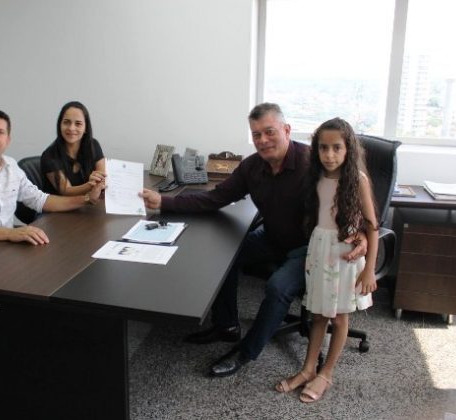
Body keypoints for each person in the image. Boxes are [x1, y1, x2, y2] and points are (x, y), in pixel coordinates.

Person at [140, 103, 366, 377]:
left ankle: (245, 352)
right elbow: (215, 198)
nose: (263, 140)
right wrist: (164, 202)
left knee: (278, 287)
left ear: (286, 130)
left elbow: (352, 190)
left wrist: (363, 233)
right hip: (271, 238)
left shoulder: (311, 162)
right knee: (223, 258)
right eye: (256, 134)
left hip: (309, 249)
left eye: (270, 132)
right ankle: (226, 326)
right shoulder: (252, 166)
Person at [275, 117, 378, 403]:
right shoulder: (316, 177)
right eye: (323, 148)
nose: (329, 155)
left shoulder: (357, 180)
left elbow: (372, 226)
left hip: (344, 255)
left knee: (339, 316)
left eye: (336, 148)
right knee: (318, 314)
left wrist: (369, 269)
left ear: (348, 149)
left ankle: (326, 373)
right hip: (319, 250)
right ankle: (308, 369)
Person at [0, 108, 106, 261]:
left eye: (0, 132)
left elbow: (41, 200)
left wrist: (87, 199)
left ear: (8, 139)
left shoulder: (11, 166)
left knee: (63, 260)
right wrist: (10, 233)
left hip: (3, 249)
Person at [40, 101, 106, 196]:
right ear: (60, 125)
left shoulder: (93, 145)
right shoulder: (49, 156)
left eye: (78, 123)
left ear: (86, 128)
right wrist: (91, 185)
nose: (71, 128)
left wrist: (100, 181)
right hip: (60, 204)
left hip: (89, 202)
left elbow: (103, 177)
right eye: (66, 122)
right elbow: (66, 191)